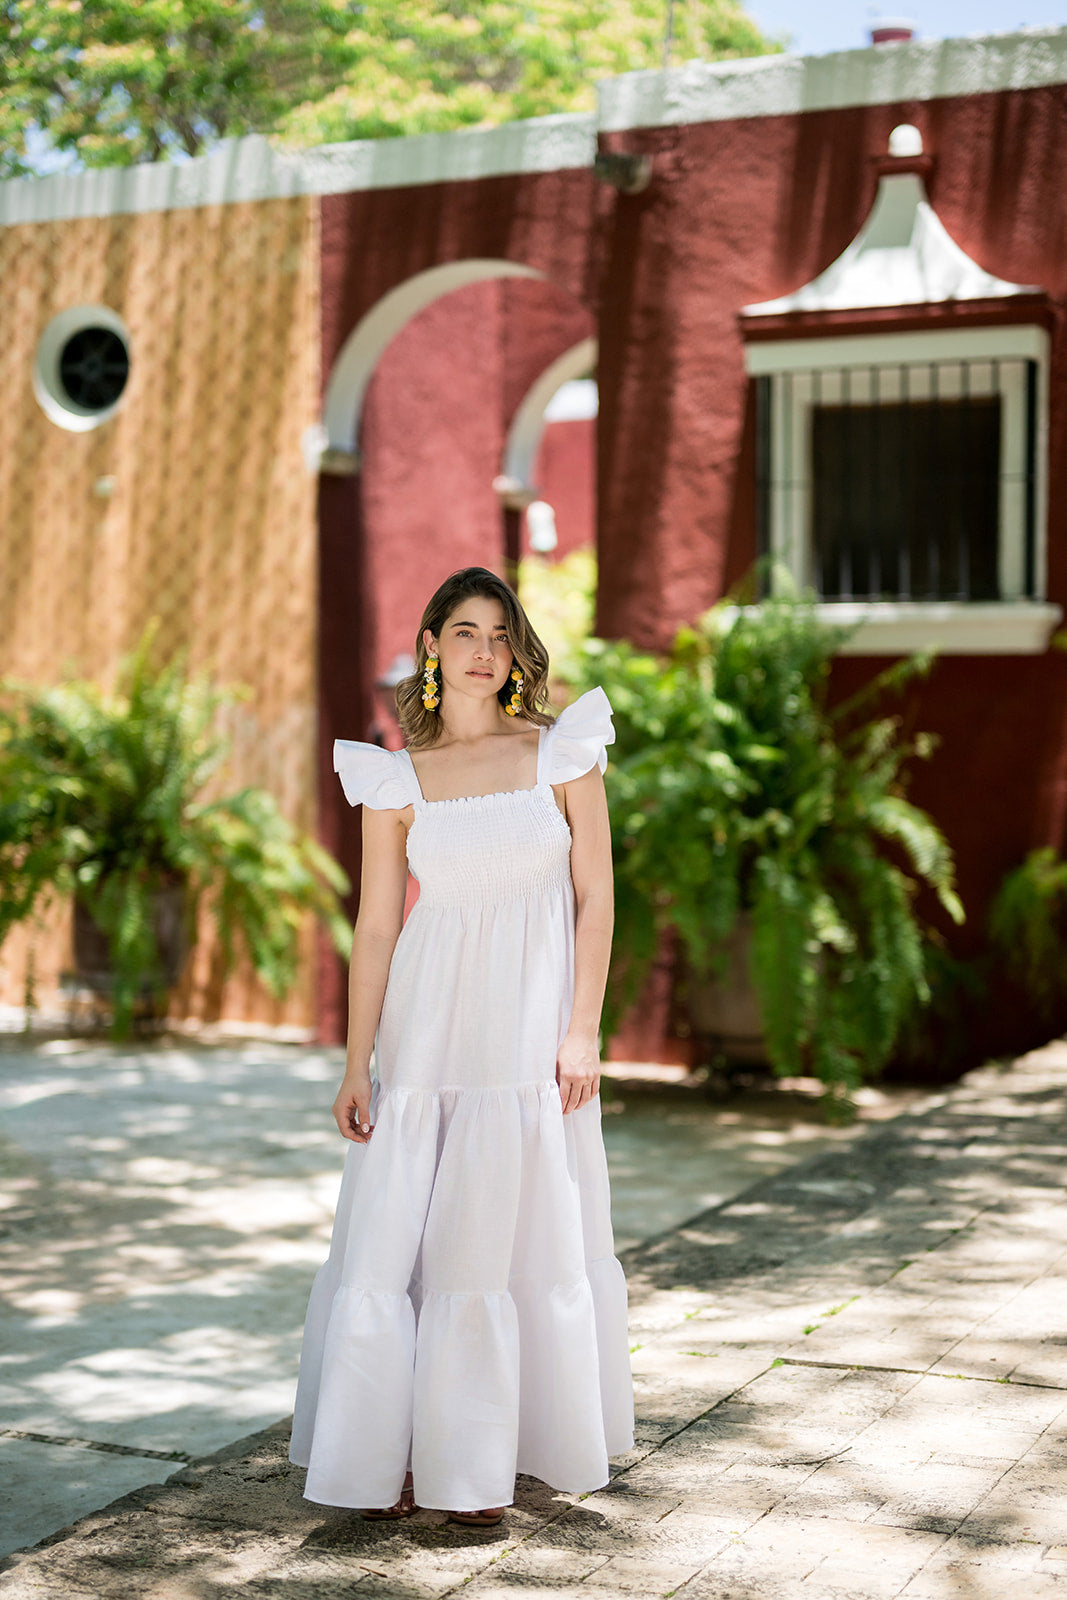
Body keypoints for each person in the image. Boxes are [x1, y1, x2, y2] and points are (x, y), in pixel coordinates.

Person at [289, 565, 634, 1526]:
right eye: (463, 633)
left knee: (498, 1237)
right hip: (427, 1031)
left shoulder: (562, 755)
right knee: (404, 1243)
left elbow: (596, 898)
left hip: (527, 1039)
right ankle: (392, 1458)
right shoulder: (396, 777)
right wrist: (357, 1063)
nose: (483, 652)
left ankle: (479, 1461)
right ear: (430, 647)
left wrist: (580, 1028)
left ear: (516, 649)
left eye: (499, 634)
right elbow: (373, 931)